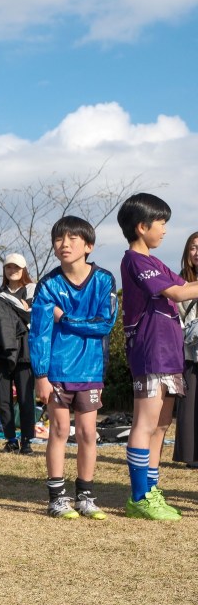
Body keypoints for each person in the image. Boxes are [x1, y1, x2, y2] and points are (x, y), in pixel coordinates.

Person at [29, 216, 117, 520]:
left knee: (88, 433)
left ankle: (86, 497)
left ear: (88, 245)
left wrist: (64, 318)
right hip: (56, 370)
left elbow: (104, 324)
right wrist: (41, 375)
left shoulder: (104, 280)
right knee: (58, 430)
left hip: (90, 370)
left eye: (72, 238)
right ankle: (57, 499)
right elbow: (39, 332)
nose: (64, 244)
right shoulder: (48, 284)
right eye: (58, 239)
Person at [117, 195, 198, 520]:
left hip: (169, 353)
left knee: (162, 425)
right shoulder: (136, 260)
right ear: (142, 226)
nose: (164, 230)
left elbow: (186, 285)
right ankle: (139, 497)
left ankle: (151, 491)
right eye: (161, 223)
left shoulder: (155, 261)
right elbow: (178, 293)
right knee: (145, 423)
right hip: (151, 350)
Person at [0, 253, 36, 454]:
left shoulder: (31, 289)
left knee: (26, 398)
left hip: (24, 351)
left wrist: (7, 306)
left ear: (24, 270)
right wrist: (20, 307)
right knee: (4, 399)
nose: (12, 270)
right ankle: (11, 439)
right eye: (8, 267)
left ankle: (27, 440)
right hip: (0, 351)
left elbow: (30, 314)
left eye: (16, 267)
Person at [175, 232, 198, 469]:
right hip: (190, 350)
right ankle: (192, 455)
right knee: (190, 404)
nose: (197, 252)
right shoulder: (179, 281)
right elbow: (176, 316)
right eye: (193, 247)